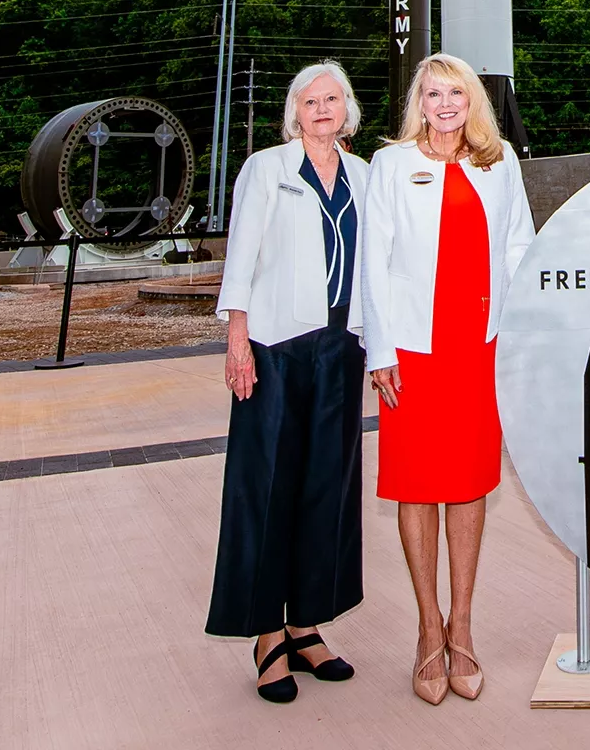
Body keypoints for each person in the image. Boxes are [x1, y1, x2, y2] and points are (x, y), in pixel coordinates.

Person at [357, 53, 536, 706]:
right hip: (413, 350)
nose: (444, 104)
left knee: (466, 487)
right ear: (420, 103)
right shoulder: (392, 165)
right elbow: (372, 261)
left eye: (455, 93)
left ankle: (463, 627)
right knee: (416, 486)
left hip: (477, 349)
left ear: (472, 102)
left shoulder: (500, 163)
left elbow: (520, 242)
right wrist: (380, 348)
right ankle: (426, 630)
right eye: (432, 94)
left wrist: (517, 323)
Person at [206, 62, 371, 703]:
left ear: (348, 109)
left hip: (341, 346)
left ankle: (306, 624)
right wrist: (238, 338)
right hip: (275, 346)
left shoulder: (363, 175)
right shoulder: (267, 170)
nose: (322, 109)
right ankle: (265, 634)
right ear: (294, 111)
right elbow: (242, 253)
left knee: (325, 488)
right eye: (311, 100)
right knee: (265, 487)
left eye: (333, 99)